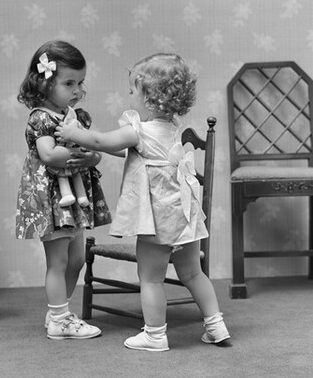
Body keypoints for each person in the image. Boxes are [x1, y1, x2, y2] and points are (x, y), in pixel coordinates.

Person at [56, 52, 231, 352]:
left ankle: (155, 334)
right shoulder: (173, 129)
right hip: (186, 215)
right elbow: (134, 154)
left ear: (150, 97)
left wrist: (74, 133)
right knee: (192, 272)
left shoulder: (137, 130)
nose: (129, 96)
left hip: (158, 219)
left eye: (133, 91)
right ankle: (216, 325)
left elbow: (101, 141)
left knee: (150, 278)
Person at [15, 40, 112, 340]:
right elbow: (48, 154)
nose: (77, 90)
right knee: (57, 260)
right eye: (69, 83)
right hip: (52, 196)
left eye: (80, 82)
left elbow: (95, 151)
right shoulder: (40, 118)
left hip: (74, 198)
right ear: (44, 84)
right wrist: (75, 150)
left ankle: (60, 311)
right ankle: (60, 318)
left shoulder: (77, 117)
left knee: (76, 259)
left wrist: (90, 154)